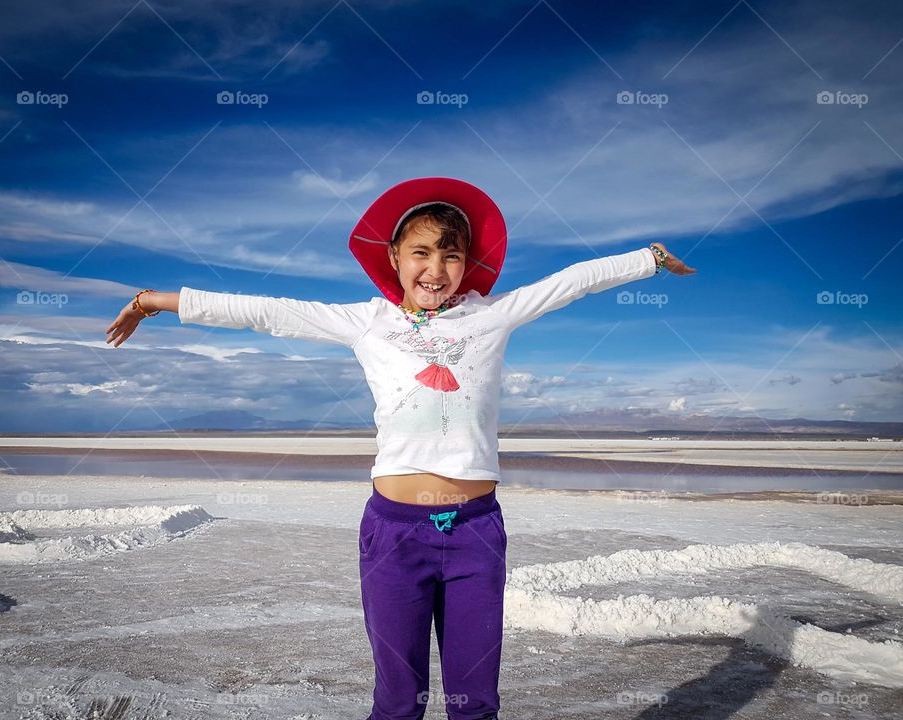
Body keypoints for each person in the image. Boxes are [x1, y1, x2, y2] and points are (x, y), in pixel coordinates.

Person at [105, 177, 696, 719]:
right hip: (394, 534)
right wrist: (154, 300)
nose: (436, 269)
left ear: (468, 263)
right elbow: (269, 313)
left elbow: (569, 282)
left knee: (475, 700)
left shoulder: (490, 317)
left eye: (452, 255)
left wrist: (648, 258)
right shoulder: (367, 321)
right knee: (397, 700)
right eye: (421, 252)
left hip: (474, 531)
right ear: (393, 257)